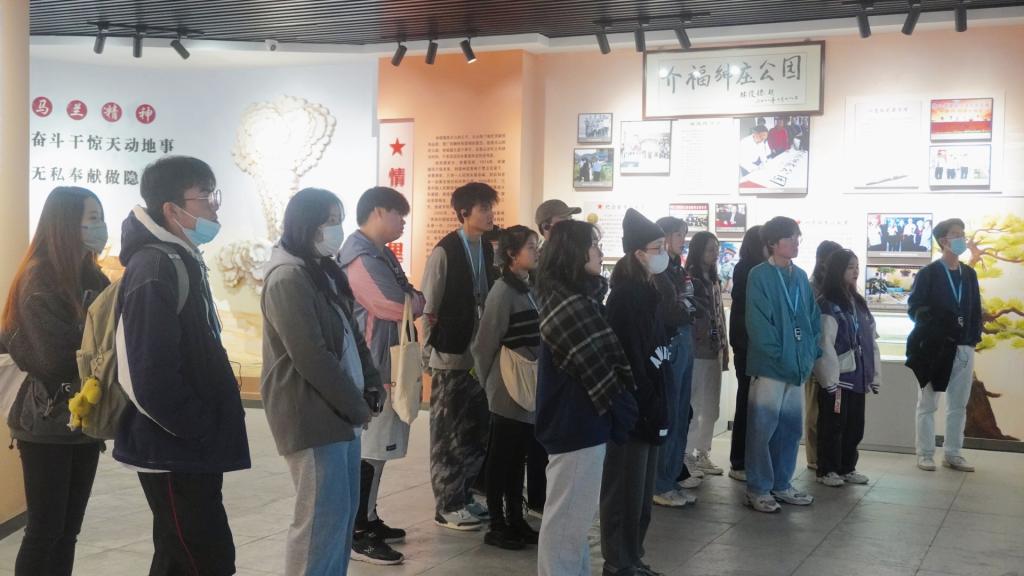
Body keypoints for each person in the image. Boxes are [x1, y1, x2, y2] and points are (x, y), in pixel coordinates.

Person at [114, 156, 250, 574]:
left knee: (179, 558)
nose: (214, 207)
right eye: (205, 196)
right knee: (205, 560)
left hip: (187, 445)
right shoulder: (155, 267)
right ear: (172, 209)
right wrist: (197, 427)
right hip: (174, 446)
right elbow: (147, 374)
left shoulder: (179, 257)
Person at [262, 188, 387, 574]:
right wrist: (355, 405)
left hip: (340, 412)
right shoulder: (287, 278)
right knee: (318, 520)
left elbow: (351, 334)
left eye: (339, 220)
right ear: (306, 224)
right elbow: (311, 357)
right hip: (312, 413)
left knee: (340, 515)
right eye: (329, 221)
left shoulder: (322, 271)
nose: (337, 229)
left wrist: (371, 382)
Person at [0, 187, 109, 576]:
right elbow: (53, 360)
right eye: (92, 218)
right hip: (44, 418)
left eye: (100, 217)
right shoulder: (38, 278)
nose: (100, 227)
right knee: (44, 530)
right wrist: (99, 353)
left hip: (84, 417)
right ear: (65, 223)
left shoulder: (92, 276)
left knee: (68, 531)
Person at [534, 220, 637, 576]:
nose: (599, 251)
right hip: (575, 423)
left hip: (583, 421)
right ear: (573, 252)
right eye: (593, 244)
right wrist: (622, 406)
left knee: (573, 525)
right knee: (566, 526)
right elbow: (597, 366)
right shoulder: (568, 304)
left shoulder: (575, 298)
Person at [337, 186, 424, 564]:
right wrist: (415, 301)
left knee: (380, 449)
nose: (402, 222)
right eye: (397, 214)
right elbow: (393, 303)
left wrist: (413, 300)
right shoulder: (360, 257)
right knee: (370, 449)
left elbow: (410, 295)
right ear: (376, 212)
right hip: (373, 366)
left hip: (387, 363)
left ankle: (369, 516)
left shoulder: (381, 254)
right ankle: (357, 532)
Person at [421, 182, 498, 530]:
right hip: (450, 356)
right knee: (448, 433)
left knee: (475, 431)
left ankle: (465, 496)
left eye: (491, 207)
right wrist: (428, 352)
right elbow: (429, 307)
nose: (490, 214)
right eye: (484, 208)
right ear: (464, 212)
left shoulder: (487, 250)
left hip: (478, 358)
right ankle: (447, 504)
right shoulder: (446, 251)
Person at [601, 209, 671, 576]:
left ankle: (633, 556)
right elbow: (628, 356)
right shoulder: (626, 296)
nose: (664, 254)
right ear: (638, 253)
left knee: (641, 494)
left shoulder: (649, 291)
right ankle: (618, 560)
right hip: (632, 406)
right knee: (625, 491)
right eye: (658, 247)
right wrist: (641, 399)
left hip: (650, 402)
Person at [471, 225, 542, 550]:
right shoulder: (502, 292)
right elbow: (484, 345)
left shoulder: (527, 288)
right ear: (512, 254)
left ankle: (516, 518)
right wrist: (489, 385)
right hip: (506, 387)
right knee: (501, 459)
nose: (536, 252)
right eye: (530, 247)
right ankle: (497, 523)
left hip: (525, 385)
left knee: (517, 459)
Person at [744, 216, 821, 513]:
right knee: (762, 429)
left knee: (790, 429)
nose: (795, 242)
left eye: (797, 237)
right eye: (789, 238)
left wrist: (810, 352)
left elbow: (812, 318)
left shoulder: (800, 276)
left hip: (797, 367)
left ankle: (781, 483)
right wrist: (781, 355)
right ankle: (758, 488)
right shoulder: (759, 275)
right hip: (770, 367)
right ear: (773, 243)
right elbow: (759, 324)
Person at [907, 218, 982, 473]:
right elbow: (915, 308)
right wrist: (934, 326)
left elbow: (975, 309)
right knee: (928, 403)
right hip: (936, 347)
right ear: (943, 241)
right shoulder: (929, 273)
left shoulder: (969, 274)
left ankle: (953, 453)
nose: (962, 238)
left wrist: (972, 339)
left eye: (963, 233)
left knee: (959, 403)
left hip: (964, 346)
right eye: (956, 234)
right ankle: (925, 453)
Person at [813, 249, 881, 487]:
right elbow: (824, 344)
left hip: (858, 377)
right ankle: (827, 469)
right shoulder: (827, 305)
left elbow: (871, 340)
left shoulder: (858, 302)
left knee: (854, 426)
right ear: (837, 270)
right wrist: (829, 380)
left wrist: (873, 375)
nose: (855, 272)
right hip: (838, 380)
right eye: (850, 267)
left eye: (857, 267)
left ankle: (847, 467)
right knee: (833, 425)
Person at [653, 216, 700, 505]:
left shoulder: (677, 269)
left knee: (682, 413)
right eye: (679, 235)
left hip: (685, 338)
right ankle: (660, 483)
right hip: (671, 341)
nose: (683, 240)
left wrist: (688, 308)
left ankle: (671, 477)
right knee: (669, 412)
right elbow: (670, 309)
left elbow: (692, 304)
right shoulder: (658, 271)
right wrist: (687, 308)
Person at [684, 232, 730, 477]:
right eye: (710, 249)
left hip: (714, 350)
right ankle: (687, 454)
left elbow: (719, 316)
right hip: (697, 351)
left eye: (717, 249)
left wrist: (724, 347)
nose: (715, 254)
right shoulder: (690, 279)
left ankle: (703, 452)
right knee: (694, 404)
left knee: (711, 406)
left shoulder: (714, 280)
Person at [727, 225, 767, 482]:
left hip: (753, 346)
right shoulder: (748, 270)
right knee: (746, 403)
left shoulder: (757, 270)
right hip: (748, 347)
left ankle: (748, 459)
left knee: (756, 406)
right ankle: (739, 461)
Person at [806, 240, 843, 470]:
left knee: (834, 410)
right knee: (814, 411)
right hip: (816, 357)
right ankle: (815, 458)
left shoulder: (840, 290)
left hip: (838, 358)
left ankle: (831, 456)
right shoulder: (811, 288)